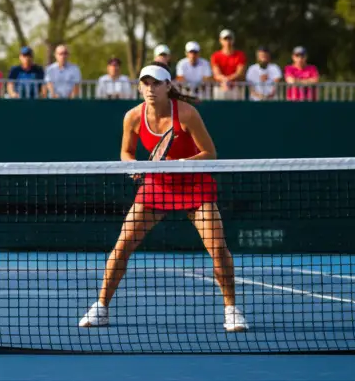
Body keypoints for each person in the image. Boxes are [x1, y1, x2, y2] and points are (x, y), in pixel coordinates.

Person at [78, 64, 247, 333]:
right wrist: (132, 166)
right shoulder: (133, 117)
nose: (150, 88)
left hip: (194, 184)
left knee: (217, 248)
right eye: (145, 83)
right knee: (122, 246)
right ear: (139, 87)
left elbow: (210, 153)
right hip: (157, 185)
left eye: (156, 83)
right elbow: (126, 152)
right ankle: (101, 307)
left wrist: (180, 164)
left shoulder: (187, 114)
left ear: (168, 86)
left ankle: (231, 310)